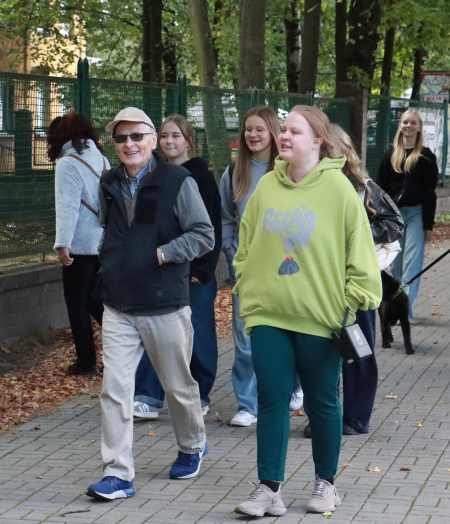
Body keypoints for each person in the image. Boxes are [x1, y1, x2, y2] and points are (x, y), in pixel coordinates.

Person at [232, 106, 381, 518]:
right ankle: (269, 489)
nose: (285, 137)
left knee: (321, 402)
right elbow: (245, 247)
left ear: (317, 141)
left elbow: (361, 254)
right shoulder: (265, 188)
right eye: (285, 131)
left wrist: (349, 301)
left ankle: (326, 484)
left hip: (319, 317)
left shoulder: (339, 191)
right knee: (272, 398)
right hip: (269, 315)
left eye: (295, 132)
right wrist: (248, 285)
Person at [86, 107, 214, 501]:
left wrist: (162, 254)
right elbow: (110, 230)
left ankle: (192, 445)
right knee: (115, 390)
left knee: (177, 387)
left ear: (153, 140)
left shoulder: (178, 181)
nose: (130, 144)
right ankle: (118, 473)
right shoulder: (108, 181)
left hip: (164, 304)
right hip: (119, 305)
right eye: (121, 138)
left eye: (137, 136)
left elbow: (204, 235)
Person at [299, 124, 401, 437]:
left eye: (331, 149)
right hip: (318, 285)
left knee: (357, 352)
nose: (326, 155)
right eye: (322, 149)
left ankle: (356, 416)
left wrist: (366, 261)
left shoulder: (366, 189)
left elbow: (394, 229)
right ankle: (322, 416)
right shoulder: (305, 187)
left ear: (345, 152)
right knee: (318, 353)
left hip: (356, 288)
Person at [132, 115, 222, 419]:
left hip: (193, 272)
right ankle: (148, 396)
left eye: (176, 136)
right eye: (165, 136)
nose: (170, 142)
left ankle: (200, 393)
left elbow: (211, 228)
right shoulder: (150, 174)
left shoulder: (201, 177)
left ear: (188, 141)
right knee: (155, 334)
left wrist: (202, 269)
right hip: (158, 268)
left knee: (198, 336)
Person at [219, 107, 303, 428]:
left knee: (286, 330)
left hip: (284, 266)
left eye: (259, 130)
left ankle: (294, 385)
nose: (252, 135)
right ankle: (247, 404)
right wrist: (231, 249)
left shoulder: (286, 170)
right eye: (247, 129)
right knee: (244, 335)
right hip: (246, 268)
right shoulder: (234, 172)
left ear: (273, 132)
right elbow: (226, 217)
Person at [50, 113, 108, 376]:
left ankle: (86, 362)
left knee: (76, 303)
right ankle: (129, 342)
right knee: (95, 298)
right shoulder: (101, 158)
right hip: (103, 241)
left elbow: (68, 207)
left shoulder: (68, 163)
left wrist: (63, 243)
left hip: (80, 243)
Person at [377, 109, 438, 323]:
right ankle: (393, 306)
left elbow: (430, 192)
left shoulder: (426, 157)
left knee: (412, 263)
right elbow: (381, 189)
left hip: (416, 214)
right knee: (395, 264)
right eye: (405, 122)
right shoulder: (389, 154)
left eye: (413, 123)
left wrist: (428, 224)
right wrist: (380, 218)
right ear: (400, 125)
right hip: (393, 216)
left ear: (420, 127)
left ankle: (405, 312)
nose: (408, 126)